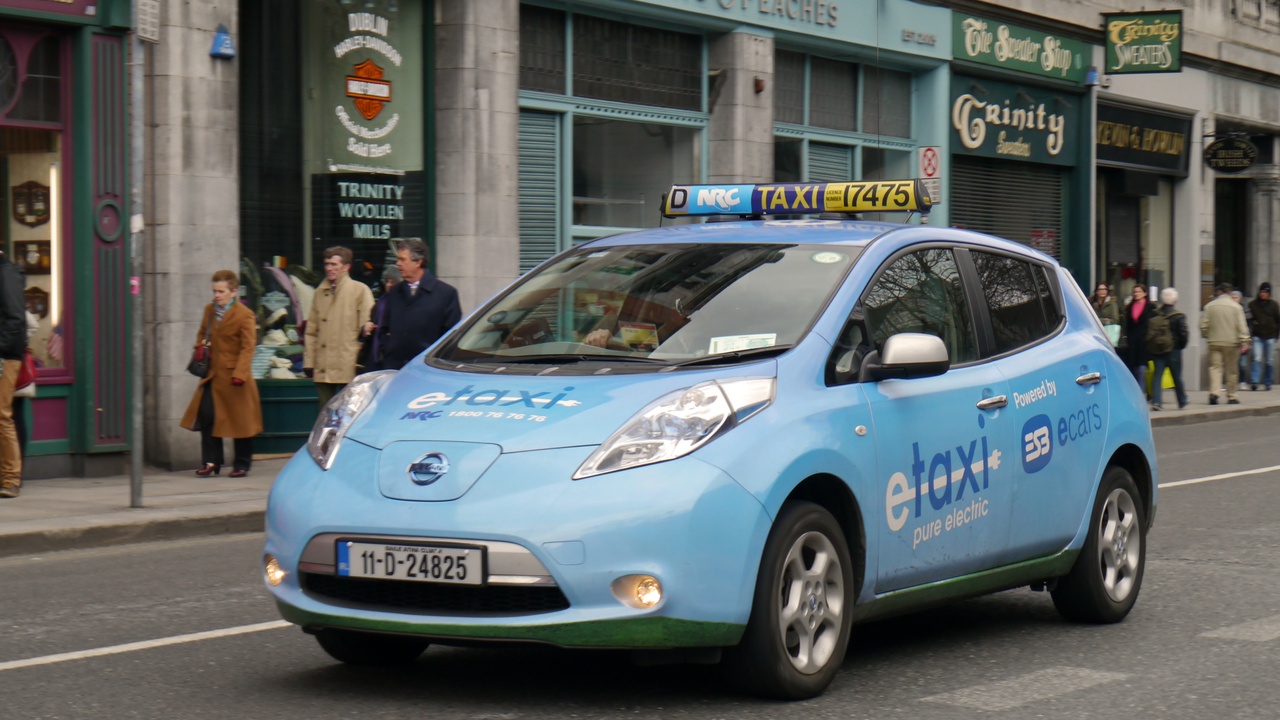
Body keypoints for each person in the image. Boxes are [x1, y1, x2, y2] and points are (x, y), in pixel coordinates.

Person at [180, 269, 263, 477]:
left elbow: (248, 347)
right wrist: (200, 347)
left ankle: (242, 464)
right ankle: (211, 461)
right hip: (213, 374)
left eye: (221, 291)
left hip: (236, 377)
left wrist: (240, 373)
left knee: (241, 421)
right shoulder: (209, 310)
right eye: (214, 291)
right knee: (207, 417)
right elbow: (202, 333)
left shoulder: (245, 315)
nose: (217, 295)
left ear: (233, 292)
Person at [303, 246, 374, 408]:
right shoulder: (319, 292)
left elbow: (367, 331)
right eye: (327, 264)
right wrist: (309, 362)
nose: (329, 268)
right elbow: (311, 331)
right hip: (323, 367)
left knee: (348, 414)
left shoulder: (359, 290)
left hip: (348, 366)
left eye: (334, 264)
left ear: (346, 267)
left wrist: (362, 363)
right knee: (324, 416)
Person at [376, 238, 461, 370]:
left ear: (418, 262)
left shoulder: (446, 294)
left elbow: (450, 337)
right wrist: (388, 348)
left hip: (429, 370)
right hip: (395, 369)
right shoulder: (394, 292)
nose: (397, 264)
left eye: (402, 259)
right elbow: (384, 329)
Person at [0, 251, 25, 498]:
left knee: (2, 415)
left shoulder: (6, 273)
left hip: (5, 357)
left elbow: (15, 319)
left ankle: (11, 479)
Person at [1202, 283, 1250, 406]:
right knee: (1232, 370)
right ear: (1230, 293)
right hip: (1231, 343)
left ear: (1219, 292)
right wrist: (1245, 341)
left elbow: (1204, 325)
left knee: (1215, 368)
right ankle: (1232, 395)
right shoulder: (1236, 307)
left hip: (1214, 341)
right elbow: (1242, 326)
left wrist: (1207, 335)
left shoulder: (1209, 306)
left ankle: (1214, 393)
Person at [1151, 288, 1189, 411]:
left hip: (1158, 349)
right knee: (1176, 376)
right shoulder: (1178, 316)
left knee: (1157, 376)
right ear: (1175, 301)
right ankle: (1182, 400)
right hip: (1174, 350)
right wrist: (1180, 346)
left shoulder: (1156, 313)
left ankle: (1157, 401)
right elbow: (1184, 334)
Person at [358, 265, 400, 372]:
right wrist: (366, 329)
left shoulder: (404, 305)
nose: (389, 285)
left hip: (393, 361)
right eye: (387, 281)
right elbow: (366, 336)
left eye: (393, 282)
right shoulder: (378, 305)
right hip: (374, 361)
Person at [1121, 283, 1158, 393]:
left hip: (1144, 341)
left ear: (1145, 294)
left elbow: (1153, 324)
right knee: (1133, 367)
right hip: (1133, 341)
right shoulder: (1130, 307)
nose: (1136, 294)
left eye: (1139, 292)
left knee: (1142, 368)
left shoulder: (1150, 307)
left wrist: (1149, 337)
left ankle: (1142, 392)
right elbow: (1127, 324)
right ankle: (1135, 391)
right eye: (1135, 292)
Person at [1247, 282, 1280, 391]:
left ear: (1269, 293)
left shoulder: (1274, 305)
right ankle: (1254, 381)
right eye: (1262, 291)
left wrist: (1277, 335)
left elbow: (1278, 320)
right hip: (1257, 335)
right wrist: (1250, 334)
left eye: (1266, 292)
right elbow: (1249, 321)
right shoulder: (1252, 305)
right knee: (1257, 358)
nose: (1263, 294)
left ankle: (1268, 382)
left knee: (1269, 360)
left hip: (1270, 335)